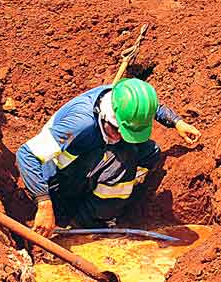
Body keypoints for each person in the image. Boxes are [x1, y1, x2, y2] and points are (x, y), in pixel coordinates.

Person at [15, 78, 201, 237]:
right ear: (106, 116)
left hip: (87, 155)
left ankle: (110, 193)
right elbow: (26, 154)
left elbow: (150, 109)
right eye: (116, 130)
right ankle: (85, 221)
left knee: (150, 152)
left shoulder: (123, 101)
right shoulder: (80, 124)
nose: (120, 136)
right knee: (124, 156)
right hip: (58, 181)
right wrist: (44, 202)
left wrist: (177, 122)